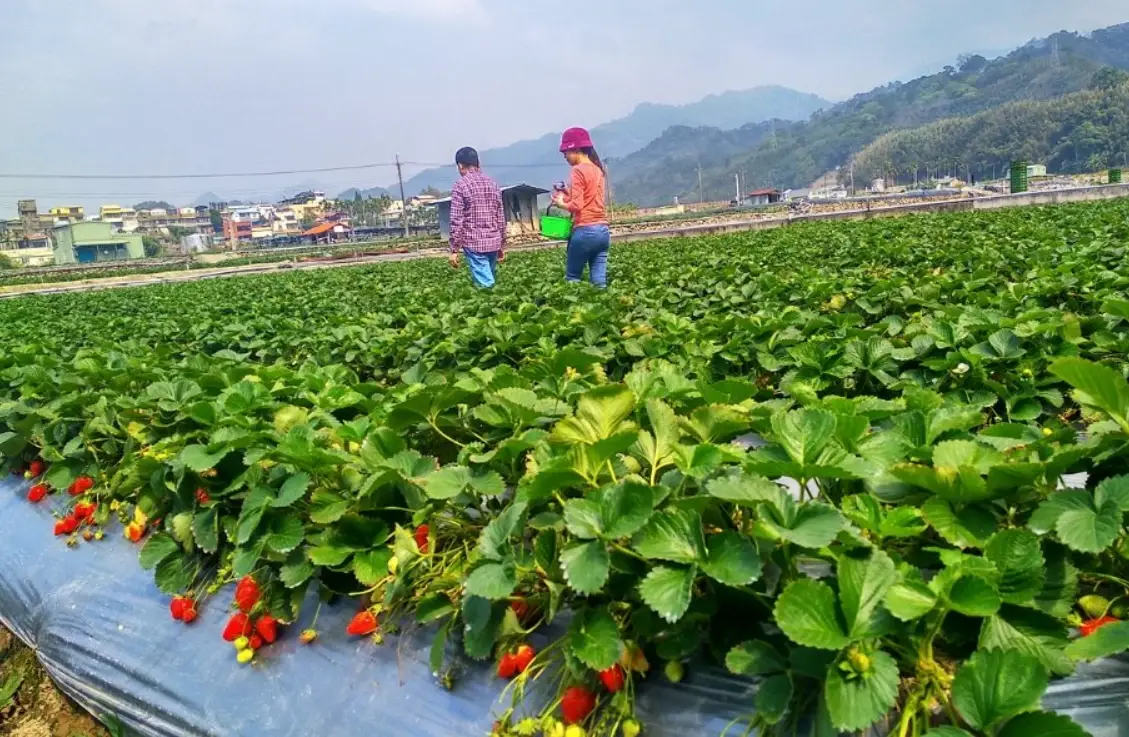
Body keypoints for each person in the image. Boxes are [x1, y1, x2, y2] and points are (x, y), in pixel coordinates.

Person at [552, 127, 610, 287]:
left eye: (566, 153)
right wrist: (567, 193)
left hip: (585, 230)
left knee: (573, 277)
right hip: (602, 231)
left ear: (576, 149)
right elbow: (588, 199)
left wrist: (561, 204)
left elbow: (577, 205)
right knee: (599, 281)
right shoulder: (598, 170)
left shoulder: (577, 170)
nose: (565, 157)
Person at [448, 147, 505, 288]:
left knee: (486, 285)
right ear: (478, 163)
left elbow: (456, 220)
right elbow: (500, 217)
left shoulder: (460, 186)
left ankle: (491, 297)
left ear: (460, 166)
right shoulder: (493, 184)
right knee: (488, 278)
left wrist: (454, 249)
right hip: (493, 241)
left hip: (474, 243)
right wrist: (502, 243)